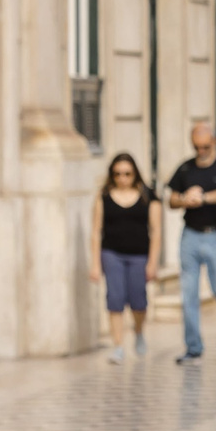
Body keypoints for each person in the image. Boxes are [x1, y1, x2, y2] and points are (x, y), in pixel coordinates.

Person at [165, 122, 216, 362]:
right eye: (196, 147)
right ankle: (193, 347)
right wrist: (184, 200)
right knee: (188, 294)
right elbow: (171, 199)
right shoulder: (185, 169)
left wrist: (204, 198)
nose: (201, 151)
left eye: (205, 146)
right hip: (191, 235)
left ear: (214, 142)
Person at [89, 152, 162, 362]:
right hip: (111, 253)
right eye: (118, 174)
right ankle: (118, 345)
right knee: (115, 298)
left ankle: (138, 332)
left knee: (139, 300)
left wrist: (153, 262)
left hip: (139, 254)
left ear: (135, 174)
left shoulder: (149, 196)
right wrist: (95, 264)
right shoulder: (103, 196)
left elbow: (156, 231)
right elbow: (96, 231)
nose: (122, 178)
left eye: (127, 174)